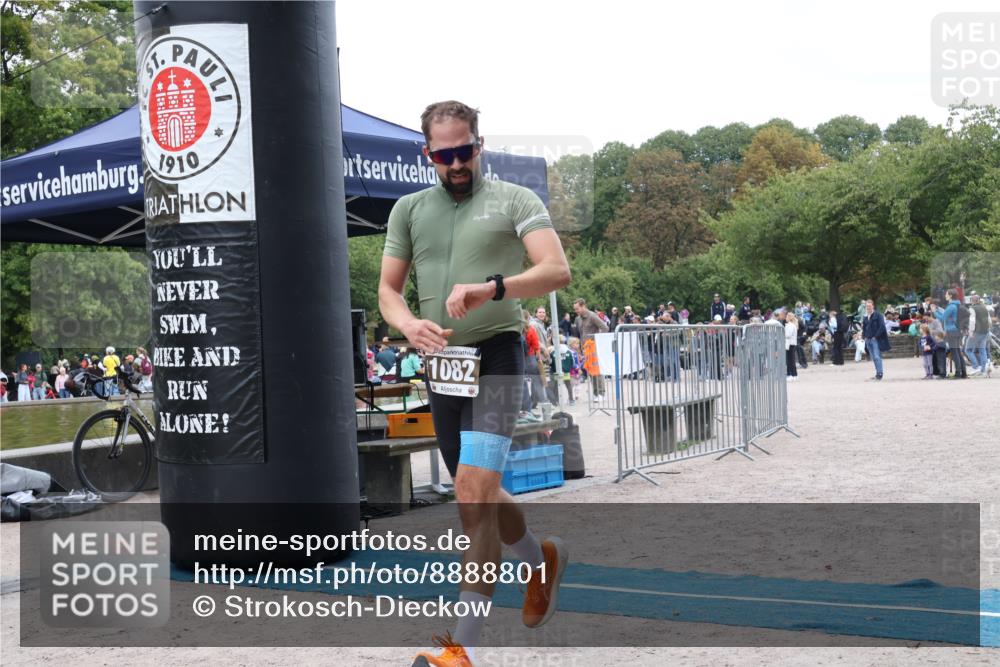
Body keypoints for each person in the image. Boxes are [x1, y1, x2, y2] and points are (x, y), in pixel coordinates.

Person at [378, 100, 570, 666]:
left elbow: (557, 270)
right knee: (474, 496)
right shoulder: (410, 209)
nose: (456, 162)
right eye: (445, 154)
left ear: (478, 145)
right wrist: (409, 323)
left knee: (471, 490)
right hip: (444, 362)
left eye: (465, 150)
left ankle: (461, 650)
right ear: (428, 154)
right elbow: (389, 290)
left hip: (499, 356)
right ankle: (541, 561)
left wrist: (494, 287)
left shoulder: (514, 198)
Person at [573, 298, 609, 398]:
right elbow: (580, 334)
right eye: (575, 309)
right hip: (585, 348)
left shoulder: (592, 316)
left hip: (594, 347)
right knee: (590, 371)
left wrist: (597, 340)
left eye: (577, 308)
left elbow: (605, 328)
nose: (576, 311)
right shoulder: (578, 319)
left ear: (583, 306)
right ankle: (595, 392)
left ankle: (601, 393)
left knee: (597, 370)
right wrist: (579, 350)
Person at [931, 290, 967, 379]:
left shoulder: (951, 306)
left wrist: (934, 311)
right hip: (957, 331)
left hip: (951, 331)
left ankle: (958, 373)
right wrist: (938, 310)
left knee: (954, 352)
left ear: (950, 296)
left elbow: (942, 318)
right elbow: (946, 315)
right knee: (958, 351)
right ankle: (963, 372)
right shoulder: (958, 305)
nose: (945, 295)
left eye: (946, 294)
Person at [862, 299, 890, 380]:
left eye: (869, 306)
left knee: (877, 357)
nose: (868, 308)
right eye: (867, 306)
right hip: (868, 339)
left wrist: (876, 336)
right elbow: (864, 328)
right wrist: (864, 336)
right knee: (873, 357)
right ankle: (877, 373)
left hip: (875, 339)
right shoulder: (865, 316)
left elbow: (882, 327)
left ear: (873, 306)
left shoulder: (878, 315)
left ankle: (880, 374)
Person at [966, 294, 991, 376]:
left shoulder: (972, 309)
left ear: (971, 301)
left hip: (976, 332)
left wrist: (971, 331)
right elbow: (989, 320)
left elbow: (972, 321)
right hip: (985, 331)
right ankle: (983, 370)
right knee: (982, 350)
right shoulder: (985, 308)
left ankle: (976, 367)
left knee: (968, 350)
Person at [784, 312, 799, 381]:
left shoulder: (790, 325)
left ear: (789, 317)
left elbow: (788, 335)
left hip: (790, 344)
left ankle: (790, 374)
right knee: (791, 360)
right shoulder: (792, 325)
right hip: (791, 344)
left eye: (786, 317)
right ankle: (794, 374)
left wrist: (782, 333)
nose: (785, 318)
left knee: (789, 361)